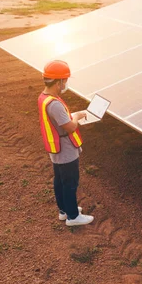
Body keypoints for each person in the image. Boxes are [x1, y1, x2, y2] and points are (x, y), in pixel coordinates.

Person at [38, 60, 94, 226]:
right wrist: (76, 117)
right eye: (65, 80)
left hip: (55, 148)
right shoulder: (54, 104)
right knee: (70, 182)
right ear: (59, 82)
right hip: (65, 150)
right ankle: (73, 217)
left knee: (60, 180)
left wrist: (71, 117)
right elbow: (70, 127)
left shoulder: (44, 98)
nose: (66, 84)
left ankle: (64, 210)